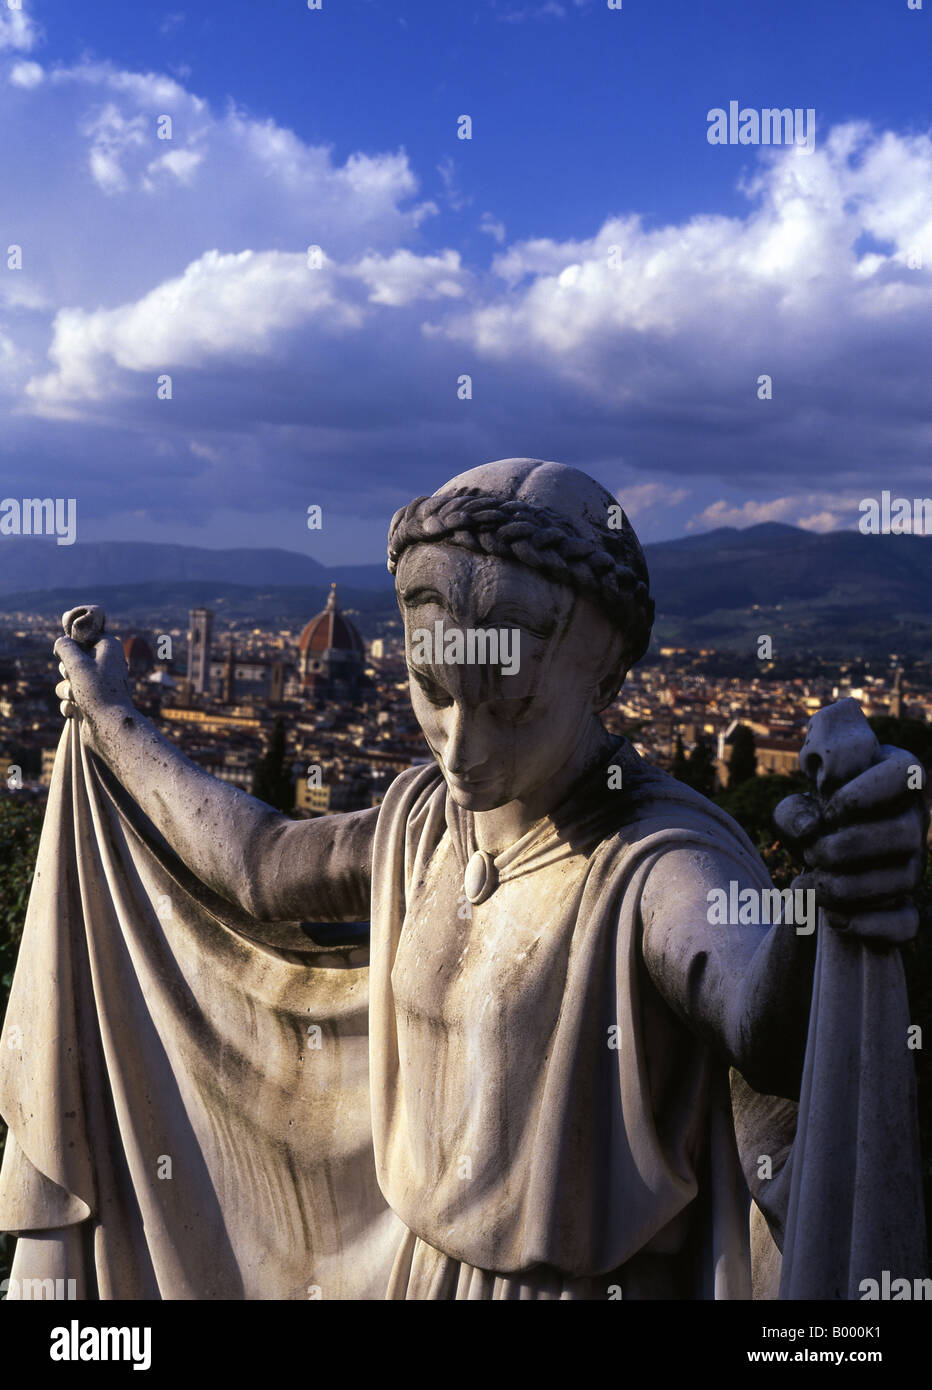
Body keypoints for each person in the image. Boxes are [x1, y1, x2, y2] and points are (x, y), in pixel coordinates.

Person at [44, 458, 926, 1299]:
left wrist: (825, 901)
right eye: (433, 689)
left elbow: (762, 1018)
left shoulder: (654, 864)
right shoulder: (421, 821)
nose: (461, 747)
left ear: (608, 677)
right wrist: (112, 717)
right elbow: (262, 865)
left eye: (510, 704)